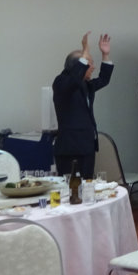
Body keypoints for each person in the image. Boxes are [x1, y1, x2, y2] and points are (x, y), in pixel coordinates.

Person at [52, 31, 112, 179]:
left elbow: (103, 80)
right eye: (89, 63)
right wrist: (85, 51)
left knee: (87, 185)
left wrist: (105, 55)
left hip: (87, 146)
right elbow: (73, 81)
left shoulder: (85, 85)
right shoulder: (61, 82)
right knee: (70, 187)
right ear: (77, 66)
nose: (93, 67)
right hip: (70, 148)